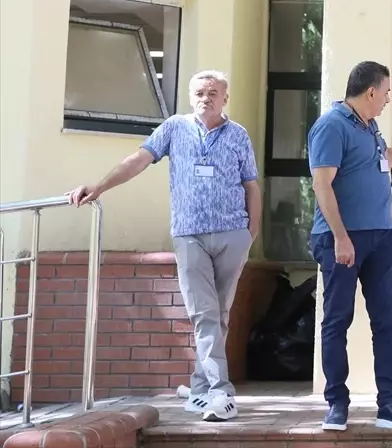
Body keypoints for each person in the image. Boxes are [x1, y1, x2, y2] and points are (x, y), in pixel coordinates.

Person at [67, 71, 260, 423]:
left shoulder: (238, 135)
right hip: (189, 235)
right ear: (190, 96)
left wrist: (251, 233)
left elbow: (251, 185)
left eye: (213, 92)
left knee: (218, 315)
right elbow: (138, 160)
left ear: (225, 98)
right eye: (199, 92)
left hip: (232, 234)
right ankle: (221, 392)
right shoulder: (174, 128)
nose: (206, 98)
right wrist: (99, 186)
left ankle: (199, 390)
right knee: (204, 314)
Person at [308, 61, 392, 432]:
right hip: (342, 239)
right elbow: (321, 185)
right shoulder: (332, 125)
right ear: (371, 91)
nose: (387, 100)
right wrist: (340, 236)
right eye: (386, 93)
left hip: (382, 236)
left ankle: (388, 405)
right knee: (337, 321)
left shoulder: (368, 126)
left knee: (386, 322)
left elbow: (385, 155)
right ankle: (337, 404)